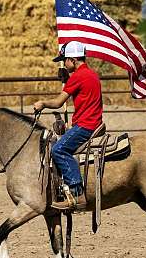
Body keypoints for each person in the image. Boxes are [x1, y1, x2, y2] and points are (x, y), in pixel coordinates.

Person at [33, 41, 103, 209]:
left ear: (72, 59)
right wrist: (67, 79)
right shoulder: (91, 74)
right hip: (93, 122)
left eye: (65, 59)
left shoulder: (78, 77)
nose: (64, 63)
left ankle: (77, 193)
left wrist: (42, 103)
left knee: (58, 149)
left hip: (86, 126)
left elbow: (58, 103)